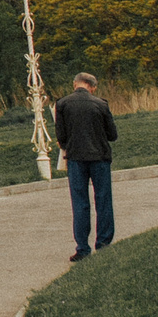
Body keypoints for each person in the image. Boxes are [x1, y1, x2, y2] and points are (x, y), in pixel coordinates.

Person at [55, 72, 119, 261]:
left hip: (75, 158)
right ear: (92, 87)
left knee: (80, 203)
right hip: (99, 157)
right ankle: (104, 243)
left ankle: (82, 247)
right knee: (103, 200)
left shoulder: (62, 104)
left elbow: (61, 136)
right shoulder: (101, 104)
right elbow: (112, 134)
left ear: (75, 84)